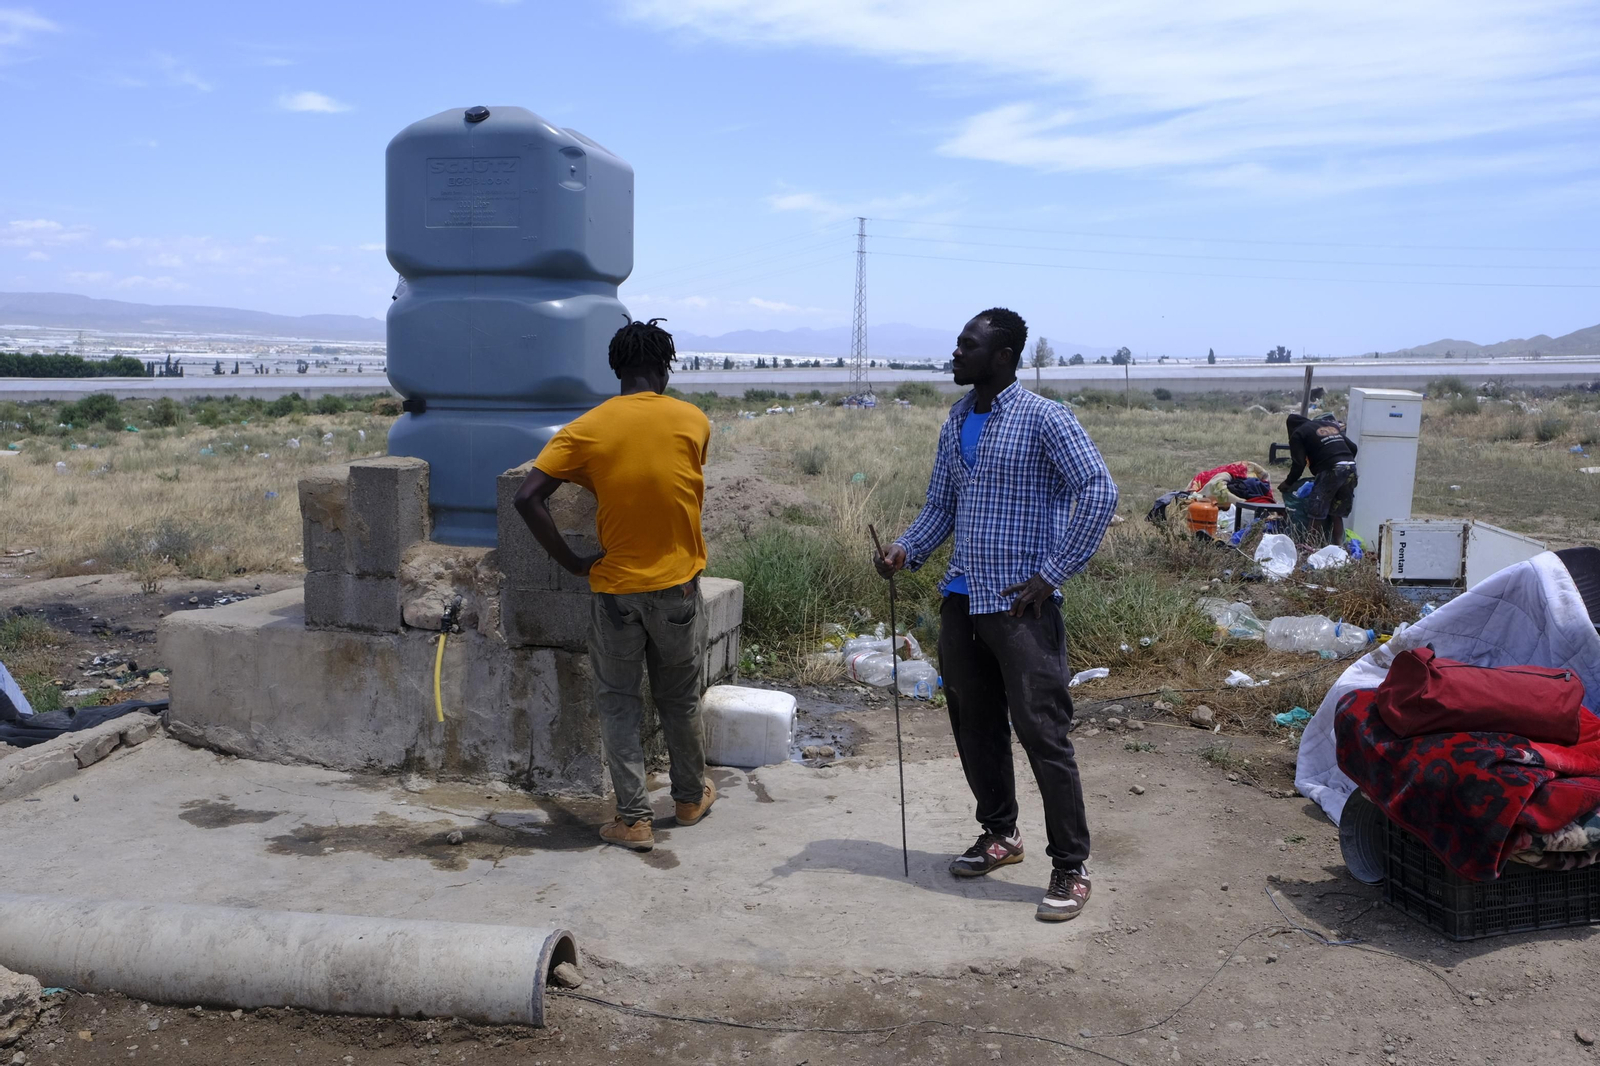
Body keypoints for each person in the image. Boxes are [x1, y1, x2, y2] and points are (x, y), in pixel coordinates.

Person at [875, 308, 1119, 922]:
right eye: (957, 344)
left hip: (1020, 605)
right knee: (975, 726)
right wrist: (906, 549)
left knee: (1043, 733)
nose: (955, 354)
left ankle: (1070, 865)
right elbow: (941, 505)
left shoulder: (1044, 418)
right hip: (963, 600)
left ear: (1003, 356)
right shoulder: (956, 419)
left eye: (967, 346)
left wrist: (1054, 572)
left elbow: (1098, 489)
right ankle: (1000, 834)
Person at [513, 318, 715, 852]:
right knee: (680, 698)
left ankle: (633, 819)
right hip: (678, 588)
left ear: (615, 370)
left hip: (616, 592)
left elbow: (527, 497)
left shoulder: (587, 428)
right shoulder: (693, 421)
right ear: (664, 367)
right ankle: (691, 799)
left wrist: (573, 561)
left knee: (620, 702)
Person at [1283, 412, 1358, 546]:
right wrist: (1343, 460)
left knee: (1316, 510)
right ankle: (1338, 547)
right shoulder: (1328, 425)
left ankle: (1310, 547)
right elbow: (1353, 447)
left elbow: (1298, 464)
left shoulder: (1298, 433)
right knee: (1336, 512)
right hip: (1350, 468)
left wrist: (1288, 483)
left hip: (1330, 469)